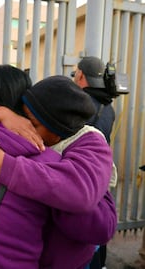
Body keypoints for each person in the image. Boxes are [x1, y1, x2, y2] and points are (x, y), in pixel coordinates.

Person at [0, 66, 116, 268]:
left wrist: (5, 165)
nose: (31, 129)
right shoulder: (46, 160)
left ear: (57, 130)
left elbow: (97, 220)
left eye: (34, 123)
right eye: (26, 119)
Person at [72, 56, 119, 269]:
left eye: (75, 72)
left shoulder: (80, 104)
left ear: (81, 75)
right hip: (100, 177)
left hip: (79, 180)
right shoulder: (108, 107)